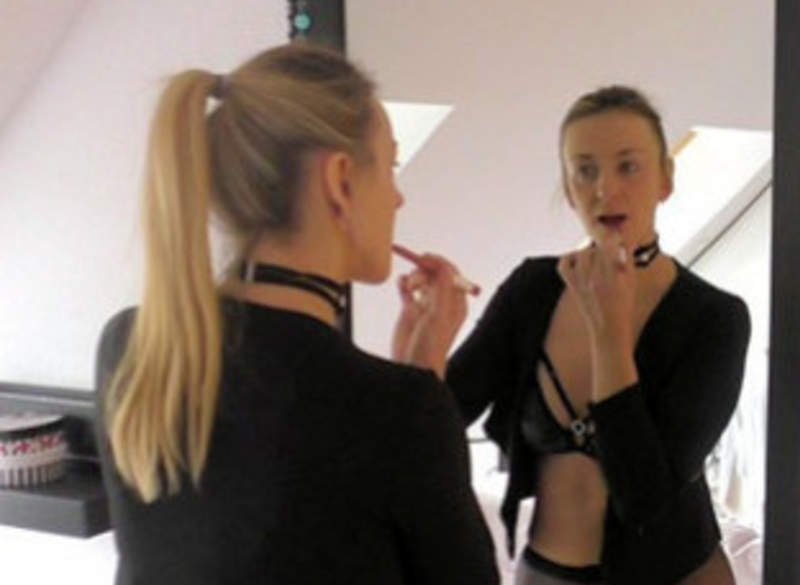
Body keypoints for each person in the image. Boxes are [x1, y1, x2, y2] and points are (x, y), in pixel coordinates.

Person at [94, 43, 498, 585]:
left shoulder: (128, 346)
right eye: (391, 166)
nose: (398, 199)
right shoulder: (398, 410)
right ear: (341, 182)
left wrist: (415, 380)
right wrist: (421, 385)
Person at [438, 86, 751, 585]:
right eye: (585, 170)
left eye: (628, 166)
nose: (606, 188)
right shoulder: (532, 291)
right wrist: (429, 335)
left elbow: (645, 497)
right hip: (546, 572)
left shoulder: (714, 318)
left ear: (665, 179)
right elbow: (438, 419)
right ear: (568, 187)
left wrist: (609, 337)